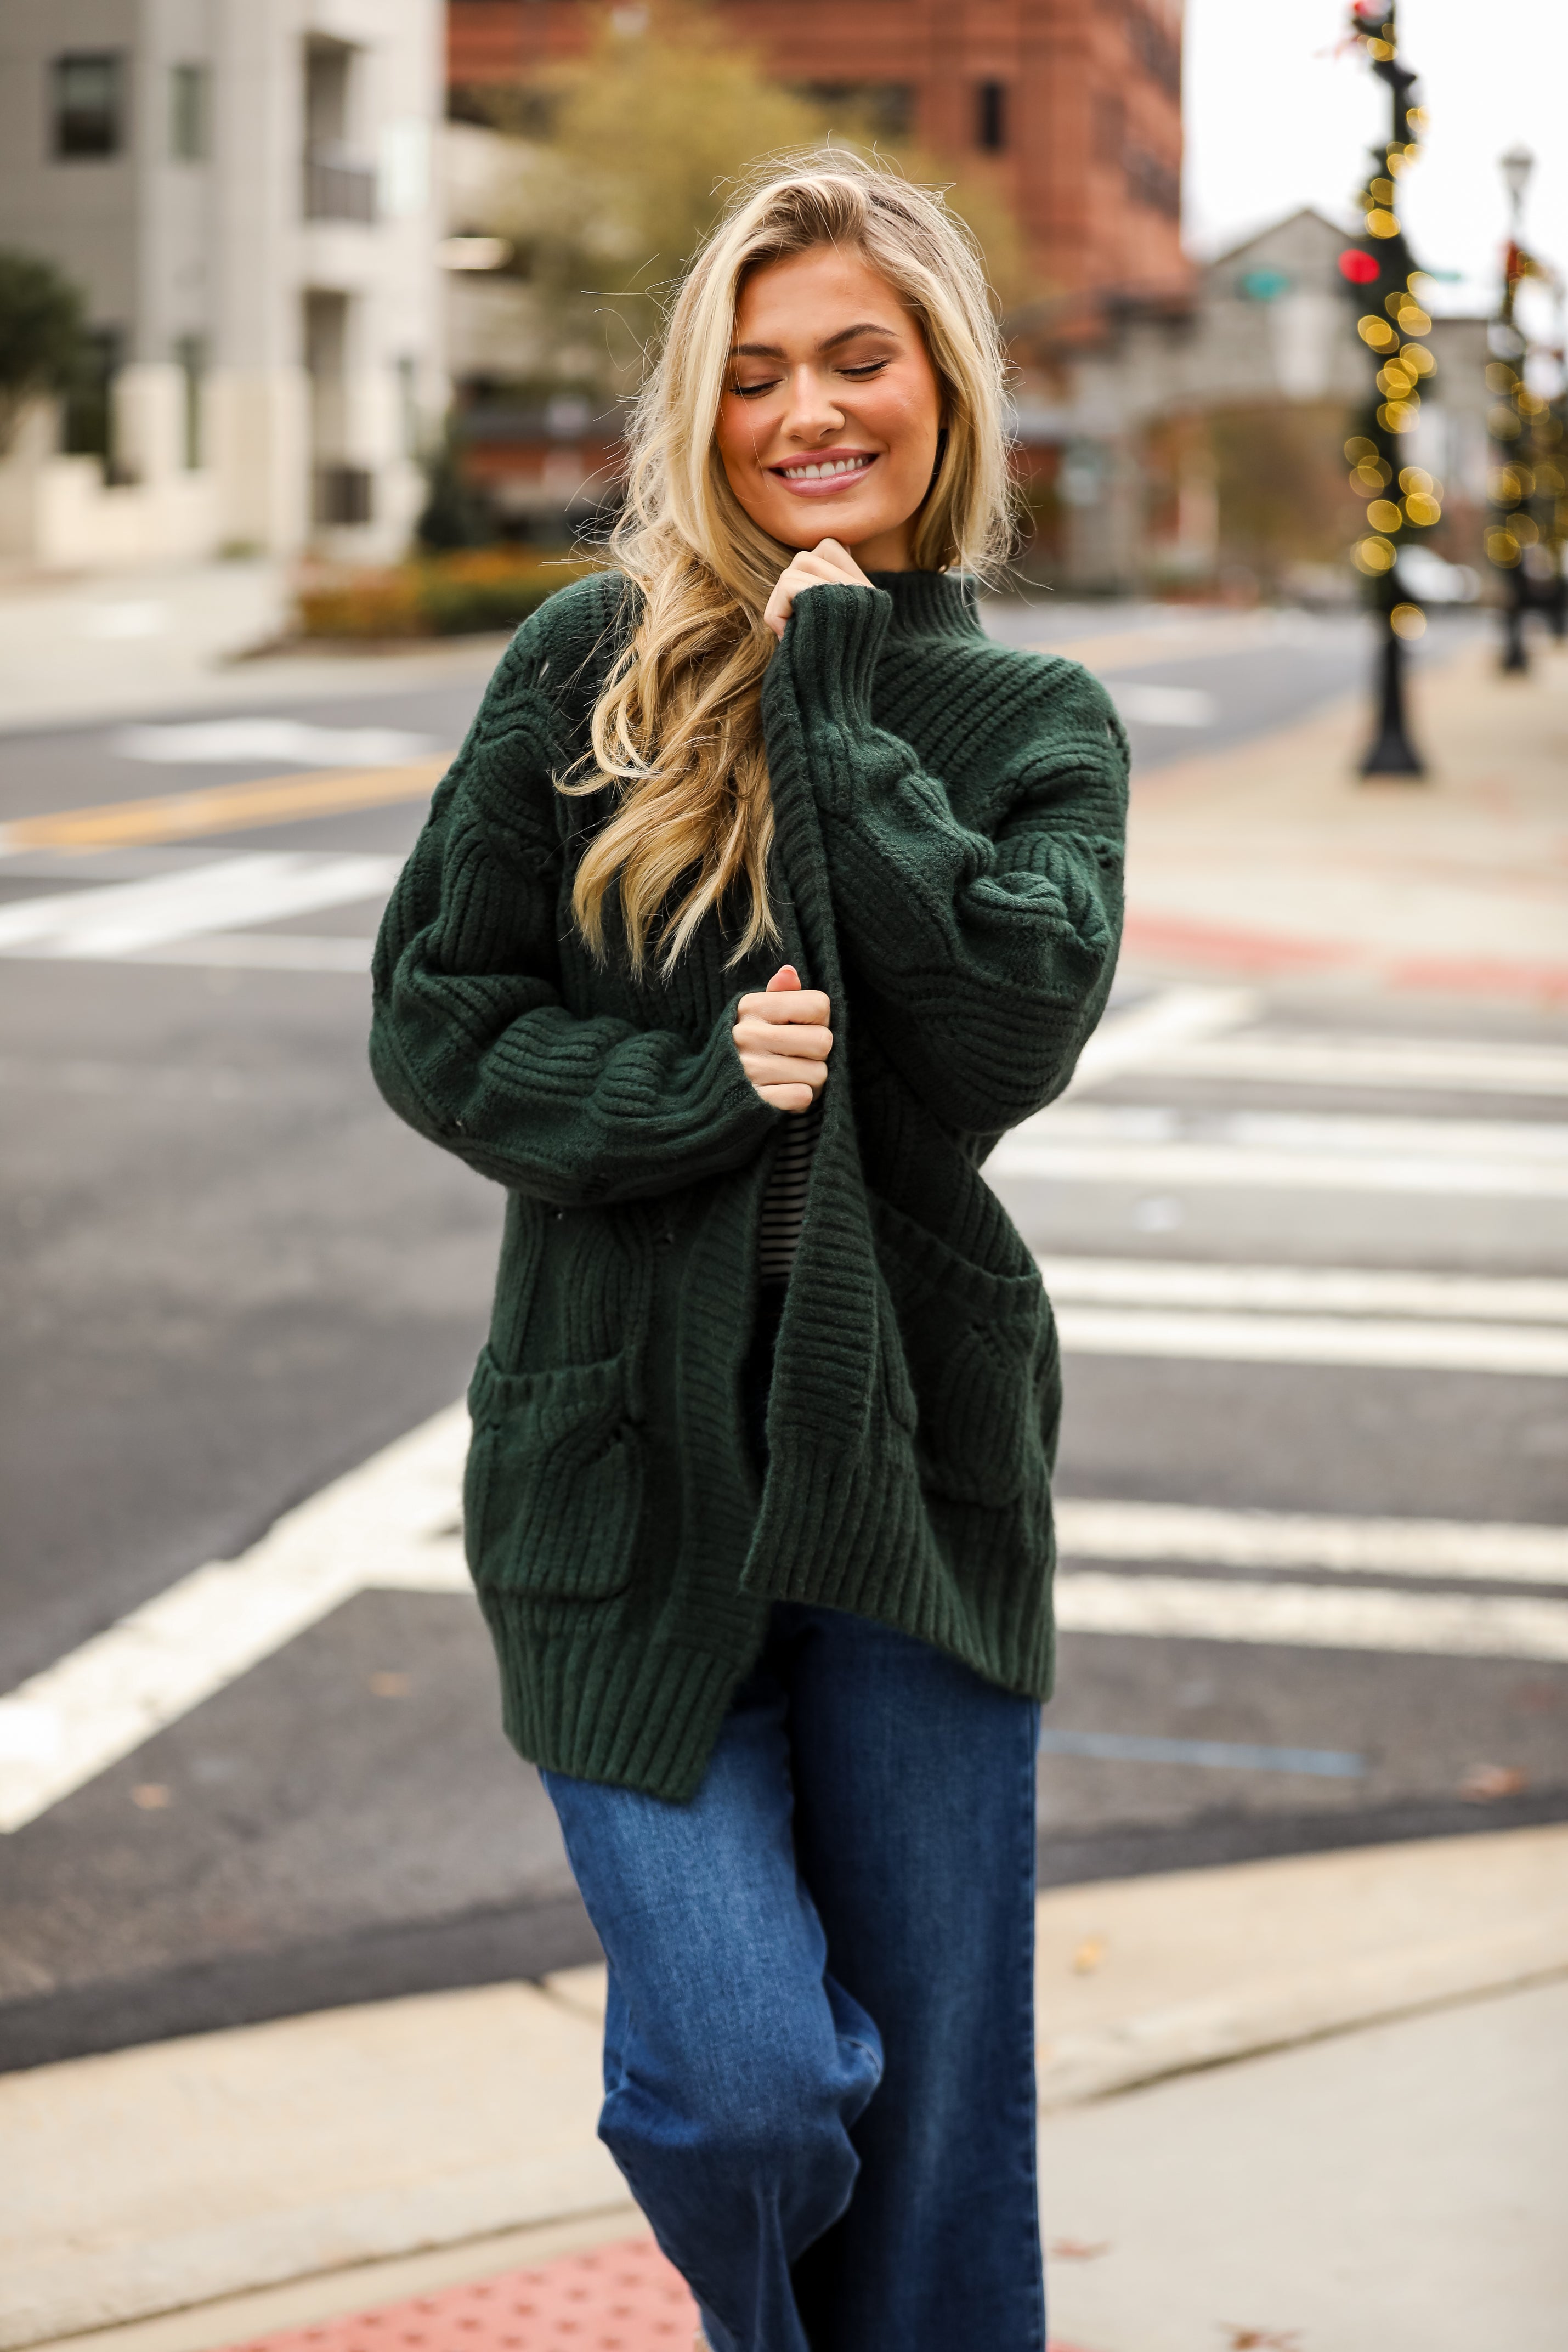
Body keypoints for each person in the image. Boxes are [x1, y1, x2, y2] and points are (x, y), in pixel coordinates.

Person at [371, 153, 1127, 2352]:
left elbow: (1002, 1028)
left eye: (856, 360)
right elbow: (435, 1011)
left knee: (939, 2142)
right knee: (743, 2089)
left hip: (912, 1475)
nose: (807, 409)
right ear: (702, 409)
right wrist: (695, 1085)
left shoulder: (1034, 727)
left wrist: (836, 706)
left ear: (941, 387)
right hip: (622, 1476)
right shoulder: (584, 668)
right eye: (757, 372)